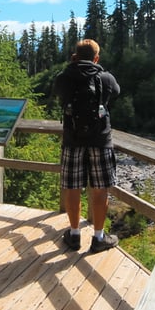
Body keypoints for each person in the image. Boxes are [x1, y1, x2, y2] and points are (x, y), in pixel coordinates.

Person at [54, 39, 120, 253]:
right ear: (96, 58)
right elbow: (116, 92)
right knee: (100, 190)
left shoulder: (64, 78)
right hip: (100, 141)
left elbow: (59, 93)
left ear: (75, 55)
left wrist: (72, 66)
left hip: (72, 141)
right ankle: (99, 237)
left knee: (73, 188)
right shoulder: (106, 78)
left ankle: (74, 235)